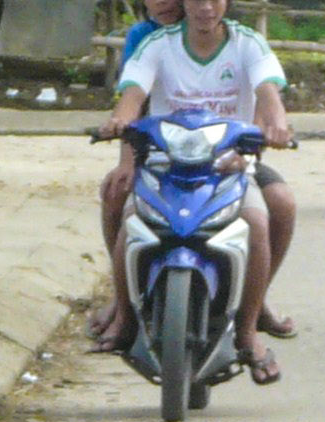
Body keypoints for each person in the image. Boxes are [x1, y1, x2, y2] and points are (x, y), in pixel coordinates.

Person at [95, 0, 295, 383]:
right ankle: (126, 316)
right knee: (132, 219)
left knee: (257, 219)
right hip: (165, 164)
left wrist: (277, 125)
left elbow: (269, 93)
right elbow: (133, 94)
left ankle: (248, 330)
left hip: (230, 166)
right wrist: (119, 119)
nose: (206, 7)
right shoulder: (157, 44)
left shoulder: (248, 43)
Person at [90, 0, 184, 339]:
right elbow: (133, 102)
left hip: (215, 153)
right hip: (154, 149)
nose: (164, 3)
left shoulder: (226, 38)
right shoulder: (144, 38)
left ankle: (255, 301)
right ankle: (123, 297)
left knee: (271, 206)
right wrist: (127, 163)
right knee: (116, 194)